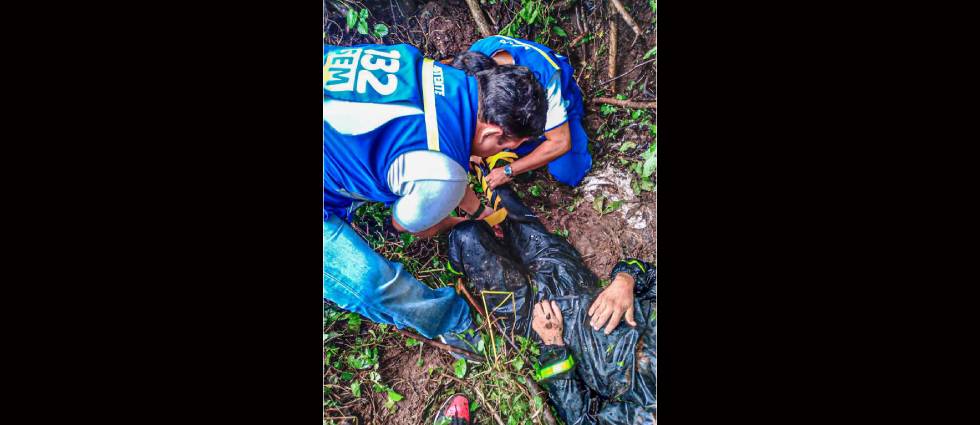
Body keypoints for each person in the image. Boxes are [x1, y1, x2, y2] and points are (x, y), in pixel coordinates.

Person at [323, 42, 548, 353]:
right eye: (505, 148)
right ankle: (452, 323)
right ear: (492, 134)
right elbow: (405, 224)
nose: (502, 154)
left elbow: (441, 171)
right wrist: (453, 216)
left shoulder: (433, 69)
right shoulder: (442, 174)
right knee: (369, 281)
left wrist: (477, 210)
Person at [447, 180, 656, 425]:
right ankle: (474, 170)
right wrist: (625, 279)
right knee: (503, 196)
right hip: (568, 278)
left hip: (534, 319)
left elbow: (580, 419)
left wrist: (552, 345)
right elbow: (650, 276)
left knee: (466, 237)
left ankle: (458, 253)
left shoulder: (647, 415)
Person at [451, 35, 592, 189]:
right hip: (516, 114)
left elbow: (560, 142)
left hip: (559, 105)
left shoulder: (541, 77)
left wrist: (508, 171)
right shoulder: (475, 60)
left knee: (568, 171)